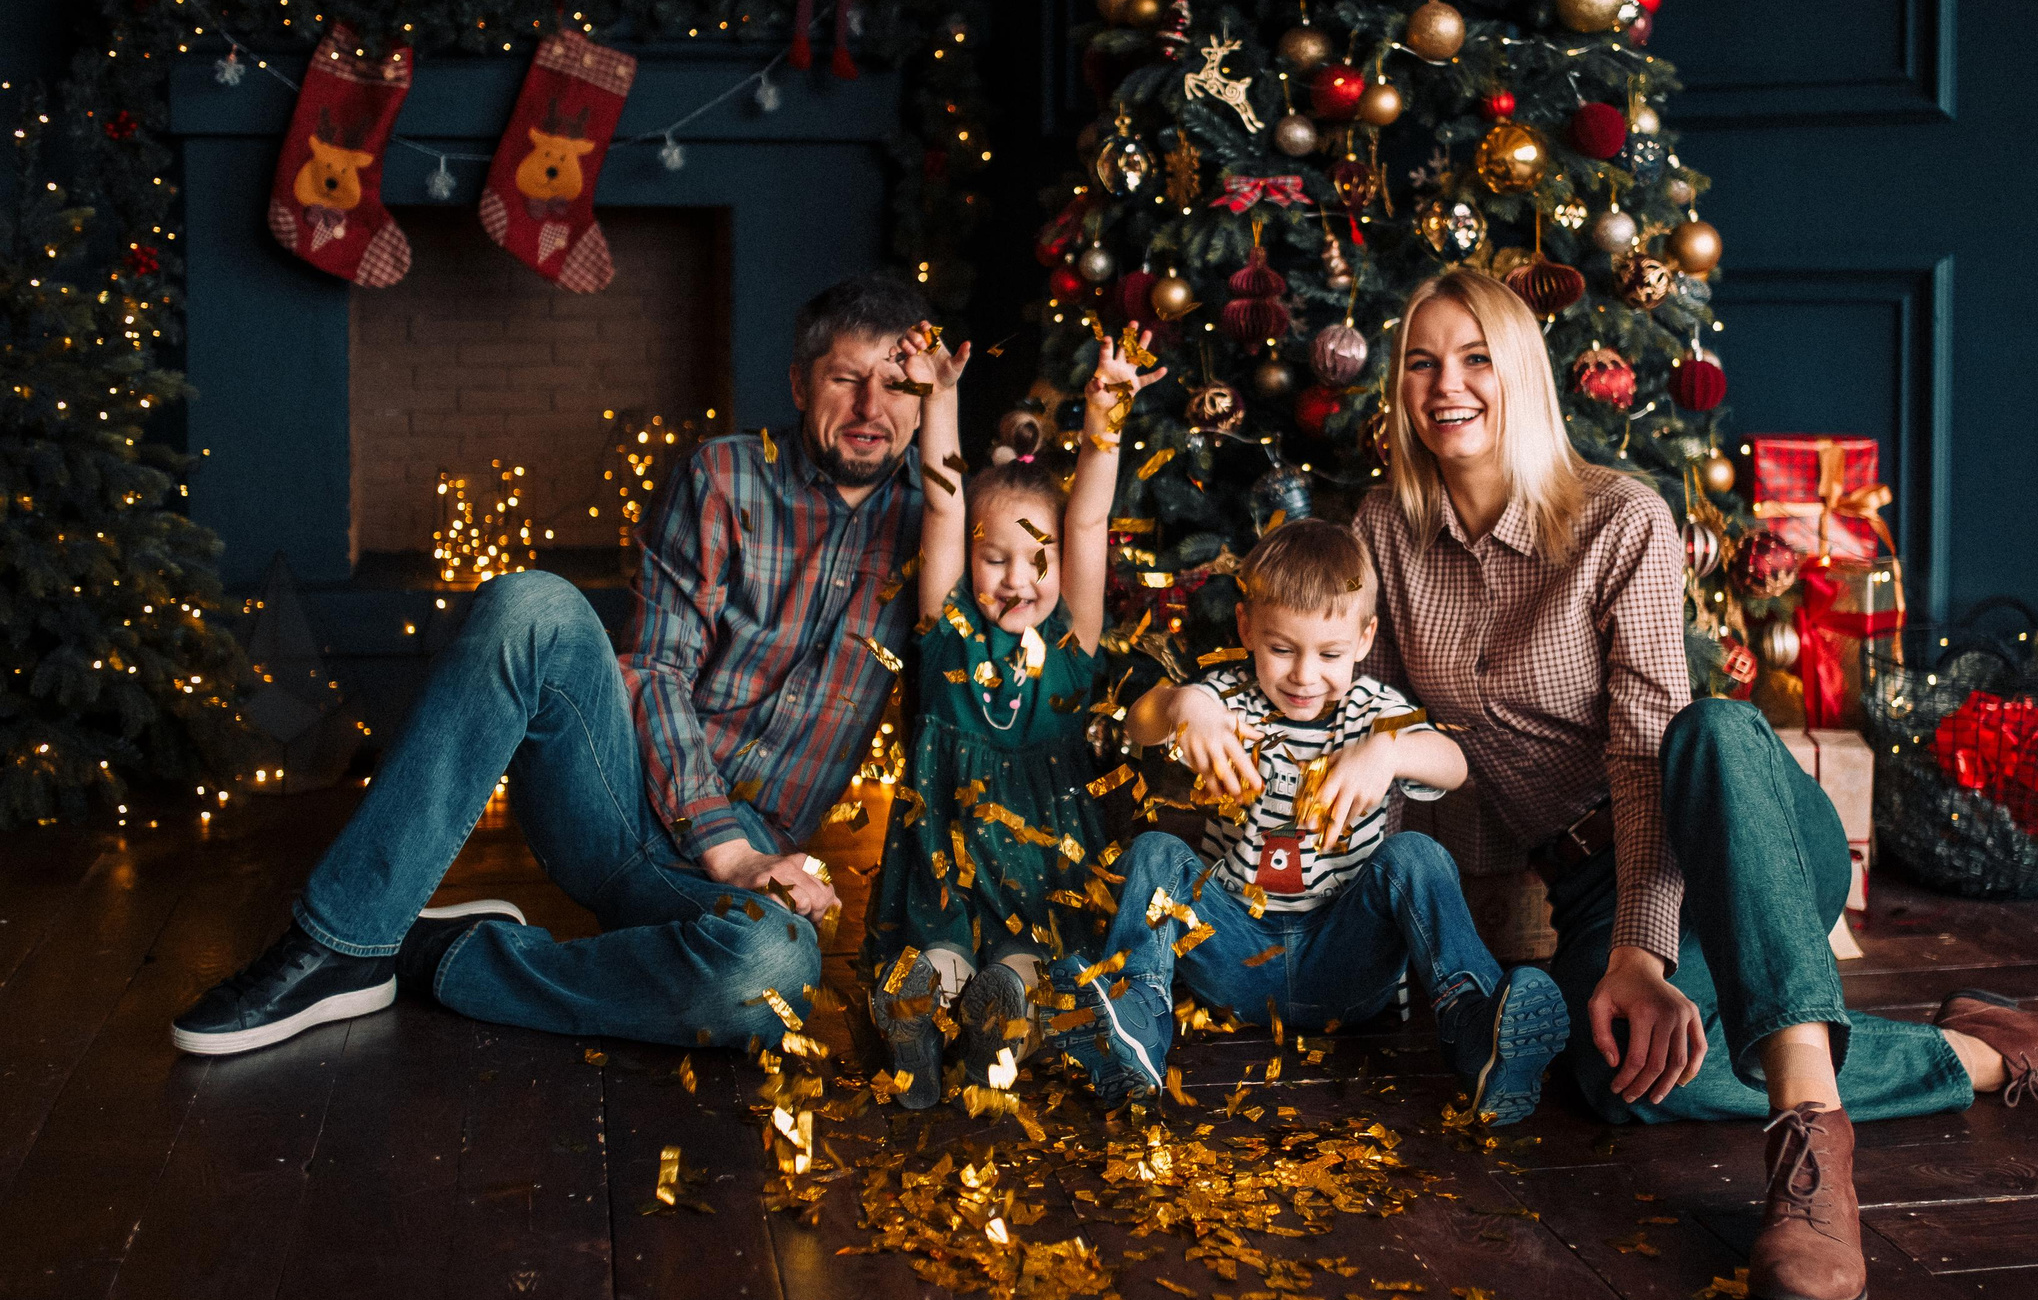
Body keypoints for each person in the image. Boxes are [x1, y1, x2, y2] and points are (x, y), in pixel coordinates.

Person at [1352, 267, 2038, 1300]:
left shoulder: (1620, 517)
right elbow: (1376, 735)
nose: (1447, 384)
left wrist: (1639, 955)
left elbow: (1643, 756)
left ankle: (1810, 1157)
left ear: (1523, 372)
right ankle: (1997, 1052)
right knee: (1615, 1080)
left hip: (1727, 827)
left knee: (1705, 729)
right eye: (1422, 362)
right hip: (1585, 880)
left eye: (1476, 357)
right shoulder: (1382, 532)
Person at [170, 272, 938, 1058]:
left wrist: (751, 861)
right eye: (845, 378)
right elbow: (655, 667)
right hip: (613, 793)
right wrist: (727, 848)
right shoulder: (725, 474)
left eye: (896, 385)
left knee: (771, 967)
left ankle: (436, 953)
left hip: (742, 864)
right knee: (532, 604)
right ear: (800, 384)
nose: (870, 408)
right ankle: (339, 941)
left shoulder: (941, 532)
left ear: (926, 399)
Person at [1054, 518, 1570, 1124]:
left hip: (1345, 964)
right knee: (1157, 851)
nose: (1303, 675)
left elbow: (1454, 765)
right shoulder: (1224, 702)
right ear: (1246, 627)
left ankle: (1476, 1028)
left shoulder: (1375, 714)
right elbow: (1141, 722)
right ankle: (1136, 1024)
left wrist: (1390, 751)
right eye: (1281, 649)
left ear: (1364, 638)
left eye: (1329, 654)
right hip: (1232, 955)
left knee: (1415, 855)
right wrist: (1183, 704)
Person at [863, 326, 1162, 1109]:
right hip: (949, 832)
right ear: (969, 562)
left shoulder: (1071, 638)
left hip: (1046, 843)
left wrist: (1107, 415)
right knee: (948, 944)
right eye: (995, 558)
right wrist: (940, 394)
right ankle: (922, 1016)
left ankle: (986, 1015)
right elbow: (943, 499)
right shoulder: (948, 626)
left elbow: (1089, 519)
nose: (1018, 579)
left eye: (1038, 559)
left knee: (1029, 956)